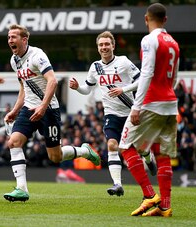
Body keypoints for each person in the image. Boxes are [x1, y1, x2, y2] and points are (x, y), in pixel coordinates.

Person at [3, 24, 100, 202]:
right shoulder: (14, 60)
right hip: (28, 108)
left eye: (14, 37)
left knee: (55, 156)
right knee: (14, 142)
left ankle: (84, 151)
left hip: (48, 110)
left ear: (24, 39)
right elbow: (23, 87)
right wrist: (15, 110)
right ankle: (21, 189)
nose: (10, 41)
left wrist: (42, 106)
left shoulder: (37, 56)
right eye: (9, 37)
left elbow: (53, 81)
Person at [69, 31, 156, 196]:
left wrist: (123, 89)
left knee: (139, 147)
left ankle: (148, 157)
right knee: (112, 145)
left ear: (113, 46)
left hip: (131, 112)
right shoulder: (95, 67)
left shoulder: (123, 62)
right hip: (111, 114)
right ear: (97, 47)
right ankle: (117, 184)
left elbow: (142, 80)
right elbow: (87, 89)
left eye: (107, 44)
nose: (104, 47)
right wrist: (77, 87)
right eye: (101, 45)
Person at [119, 3, 180, 217]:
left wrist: (137, 107)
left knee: (125, 145)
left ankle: (148, 195)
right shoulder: (173, 42)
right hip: (170, 103)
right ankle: (165, 206)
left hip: (150, 102)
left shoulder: (149, 39)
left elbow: (147, 73)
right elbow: (174, 77)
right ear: (165, 19)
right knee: (161, 154)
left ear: (146, 18)